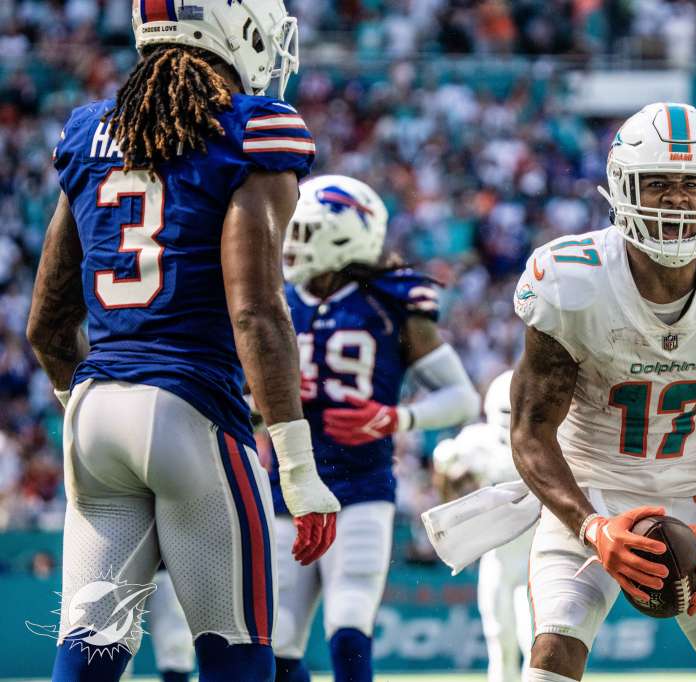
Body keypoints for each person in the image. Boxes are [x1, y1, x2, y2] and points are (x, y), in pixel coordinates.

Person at [26, 1, 341, 678]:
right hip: (190, 410)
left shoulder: (88, 131)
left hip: (94, 411)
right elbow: (256, 312)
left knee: (87, 655)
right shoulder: (254, 129)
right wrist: (298, 467)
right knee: (237, 655)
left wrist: (88, 410)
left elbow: (47, 323)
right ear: (238, 29)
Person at [510, 102, 696, 681]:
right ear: (623, 187)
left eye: (692, 184)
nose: (677, 200)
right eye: (658, 183)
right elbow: (530, 431)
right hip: (590, 492)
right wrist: (590, 526)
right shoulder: (573, 281)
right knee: (552, 657)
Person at [269, 175, 480, 682]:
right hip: (287, 487)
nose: (291, 243)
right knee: (276, 644)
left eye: (305, 231)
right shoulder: (274, 300)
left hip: (360, 485)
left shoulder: (389, 304)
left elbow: (462, 396)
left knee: (348, 625)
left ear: (346, 235)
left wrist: (395, 418)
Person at [433, 370, 534, 682]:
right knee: (498, 636)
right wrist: (452, 473)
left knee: (532, 637)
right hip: (498, 554)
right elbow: (446, 480)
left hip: (534, 553)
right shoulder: (477, 441)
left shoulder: (544, 441)